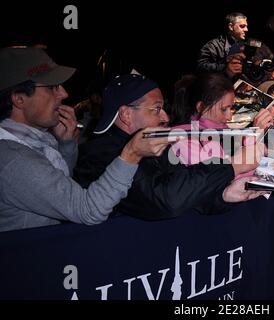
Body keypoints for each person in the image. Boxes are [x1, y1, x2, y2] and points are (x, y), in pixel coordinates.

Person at [0, 47, 172, 232]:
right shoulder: (14, 160)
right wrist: (131, 153)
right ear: (19, 99)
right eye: (52, 87)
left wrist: (65, 147)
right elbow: (88, 210)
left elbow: (60, 190)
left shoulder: (32, 142)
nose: (64, 94)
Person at [74, 73, 264, 221]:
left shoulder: (153, 145)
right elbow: (166, 200)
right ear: (126, 114)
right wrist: (232, 166)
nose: (165, 117)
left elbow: (187, 191)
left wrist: (223, 196)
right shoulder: (102, 153)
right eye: (156, 109)